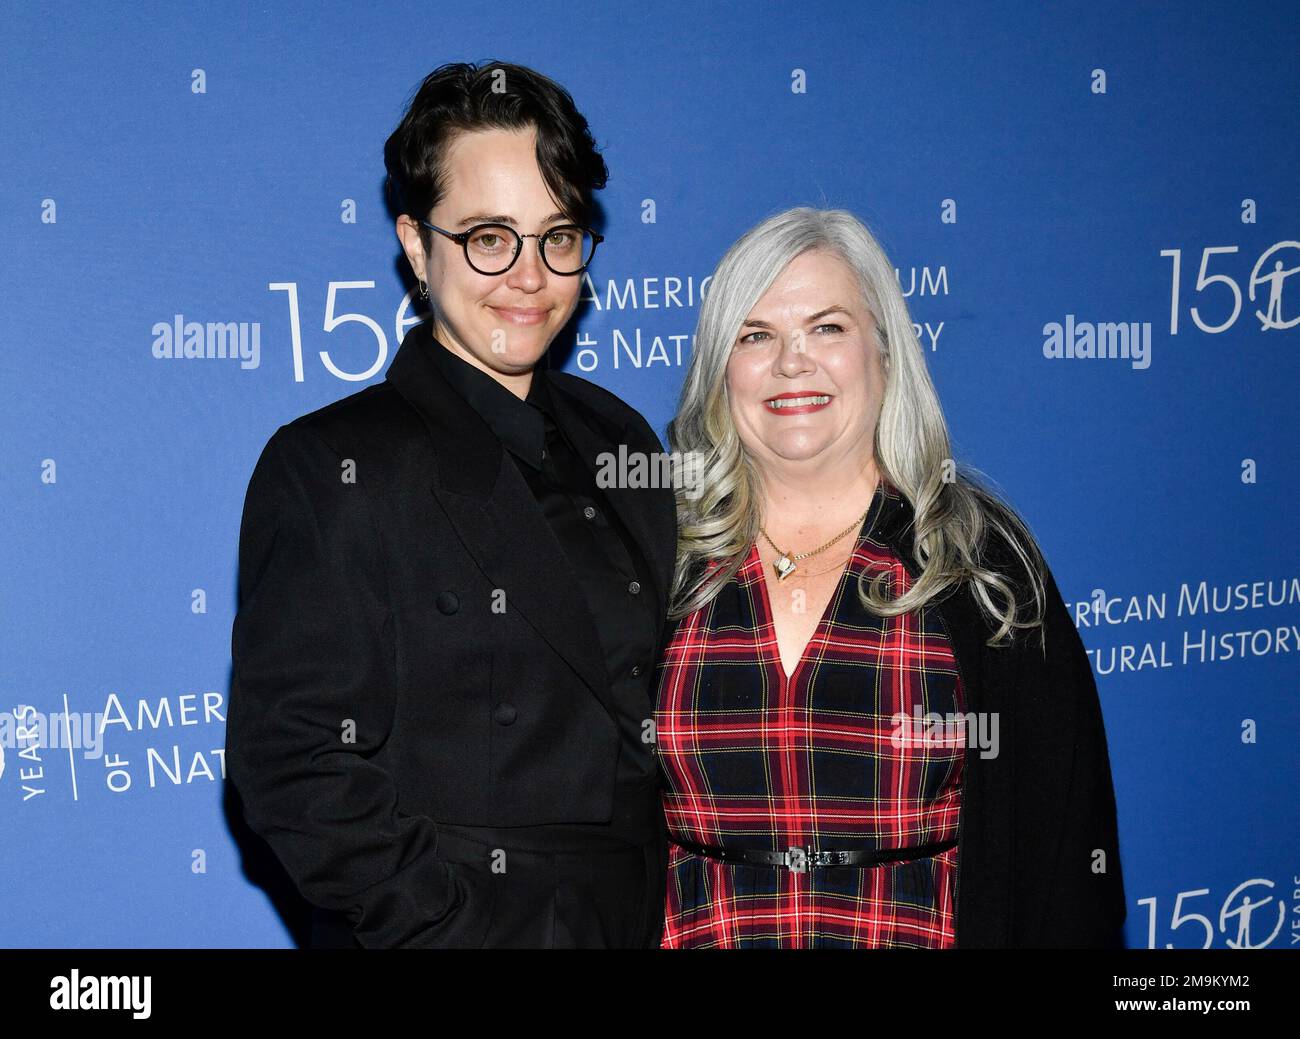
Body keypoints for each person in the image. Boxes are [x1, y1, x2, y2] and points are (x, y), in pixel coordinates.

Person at [226, 61, 676, 948]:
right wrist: (446, 925)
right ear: (416, 242)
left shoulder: (620, 437)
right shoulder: (333, 464)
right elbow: (292, 762)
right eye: (487, 236)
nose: (528, 275)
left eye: (558, 236)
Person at [653, 206, 1126, 948]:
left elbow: (1066, 849)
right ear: (719, 368)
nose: (791, 361)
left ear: (885, 349)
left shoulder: (979, 561)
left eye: (827, 327)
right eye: (755, 335)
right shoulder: (660, 559)